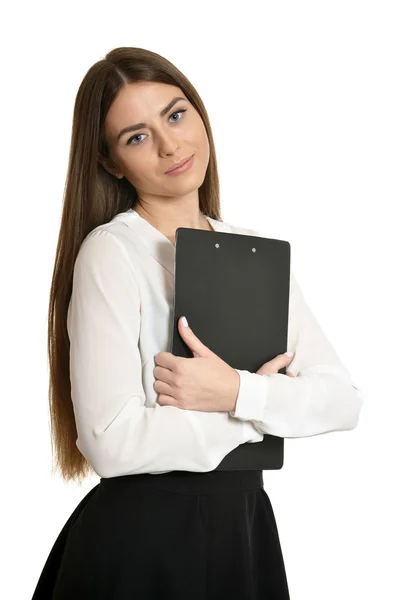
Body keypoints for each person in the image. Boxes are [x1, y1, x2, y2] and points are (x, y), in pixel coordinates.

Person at [31, 46, 363, 600]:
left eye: (176, 114)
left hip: (244, 533)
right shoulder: (112, 253)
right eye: (136, 137)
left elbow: (342, 401)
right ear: (112, 163)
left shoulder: (251, 254)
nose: (169, 145)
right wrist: (260, 411)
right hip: (143, 543)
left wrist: (233, 390)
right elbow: (110, 441)